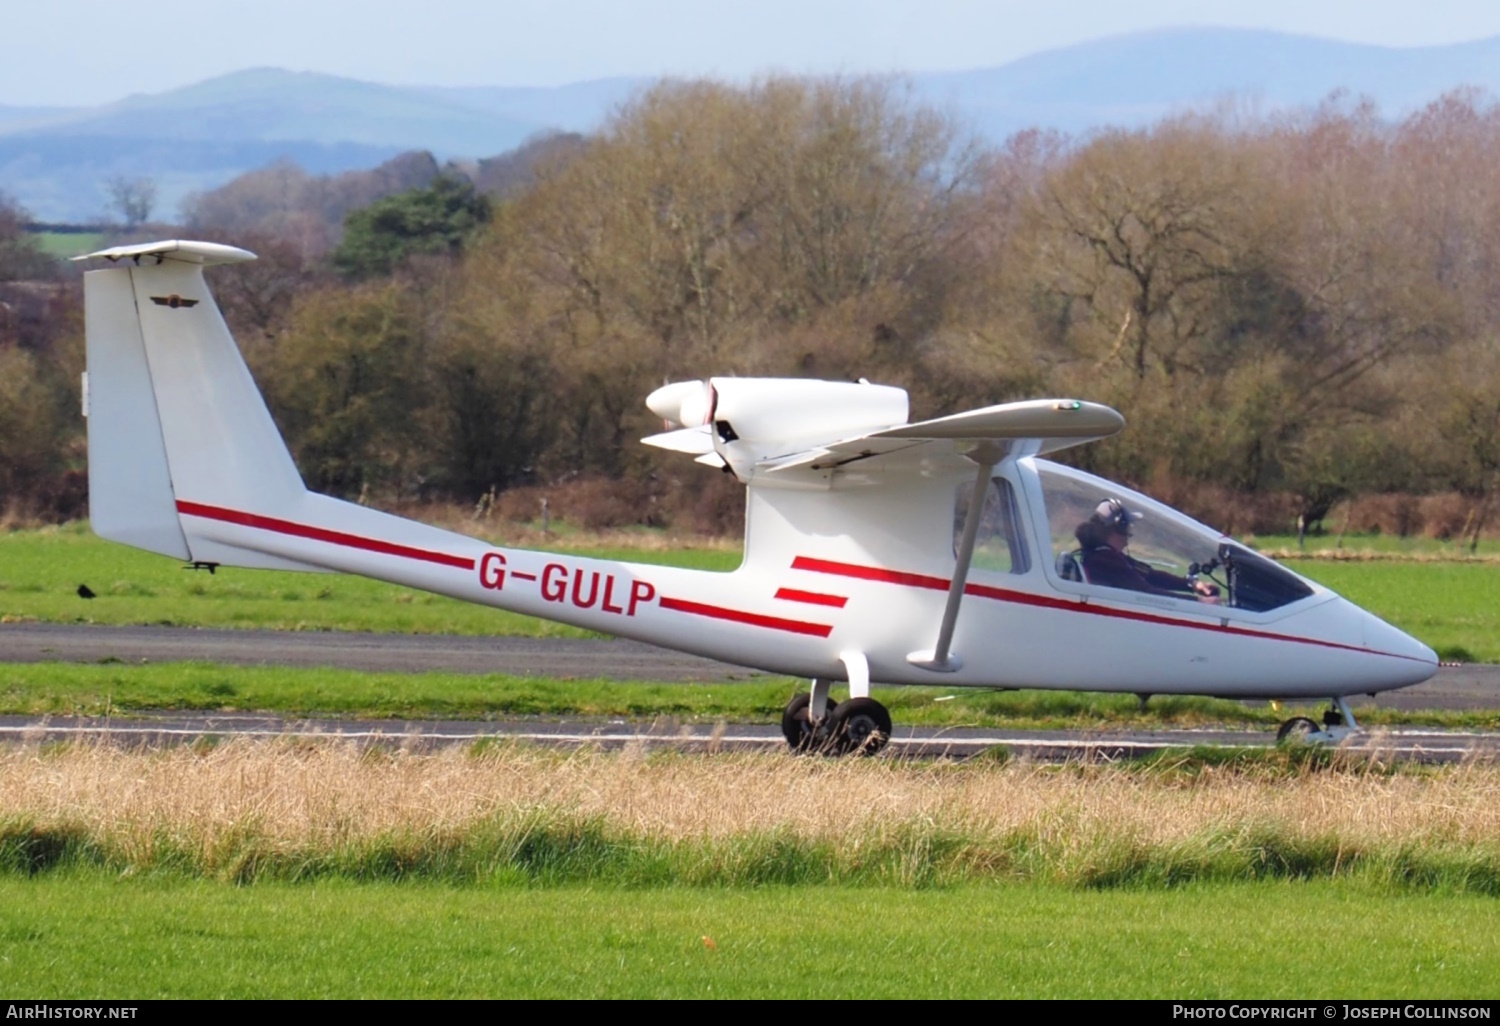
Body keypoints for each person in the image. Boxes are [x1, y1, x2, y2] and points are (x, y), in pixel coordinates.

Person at [1076, 498, 1219, 602]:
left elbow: (1150, 575)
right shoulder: (1105, 560)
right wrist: (1199, 602)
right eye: (1127, 527)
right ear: (1118, 528)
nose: (1129, 534)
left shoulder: (1109, 555)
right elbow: (1146, 593)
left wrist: (1192, 585)